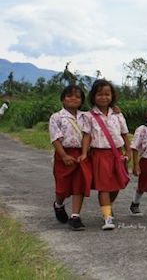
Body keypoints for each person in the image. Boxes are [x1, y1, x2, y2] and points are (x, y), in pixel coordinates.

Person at [81, 80, 131, 230]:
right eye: (100, 94)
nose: (104, 97)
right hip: (99, 154)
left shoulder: (117, 114)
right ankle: (107, 218)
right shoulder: (89, 116)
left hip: (117, 154)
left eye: (107, 94)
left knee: (116, 186)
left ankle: (108, 207)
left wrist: (128, 151)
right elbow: (87, 136)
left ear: (112, 96)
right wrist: (84, 153)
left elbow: (124, 134)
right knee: (104, 187)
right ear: (93, 96)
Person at [48, 86, 91, 231]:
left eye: (77, 97)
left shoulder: (85, 116)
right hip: (63, 154)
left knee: (79, 184)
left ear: (82, 101)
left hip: (80, 154)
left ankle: (75, 217)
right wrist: (64, 155)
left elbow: (87, 135)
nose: (73, 99)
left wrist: (84, 153)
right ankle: (58, 204)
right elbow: (55, 138)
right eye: (69, 96)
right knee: (62, 187)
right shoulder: (56, 117)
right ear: (62, 99)